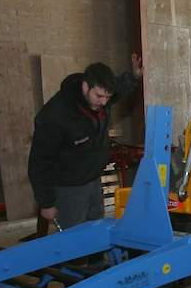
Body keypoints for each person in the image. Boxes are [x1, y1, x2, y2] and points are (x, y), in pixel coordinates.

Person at [28, 54, 143, 230]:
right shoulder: (54, 116)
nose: (104, 102)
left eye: (107, 97)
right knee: (74, 242)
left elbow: (118, 87)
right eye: (99, 96)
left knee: (96, 231)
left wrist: (134, 76)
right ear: (85, 85)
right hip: (69, 189)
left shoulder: (101, 98)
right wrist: (46, 203)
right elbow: (39, 163)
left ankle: (96, 259)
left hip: (93, 181)